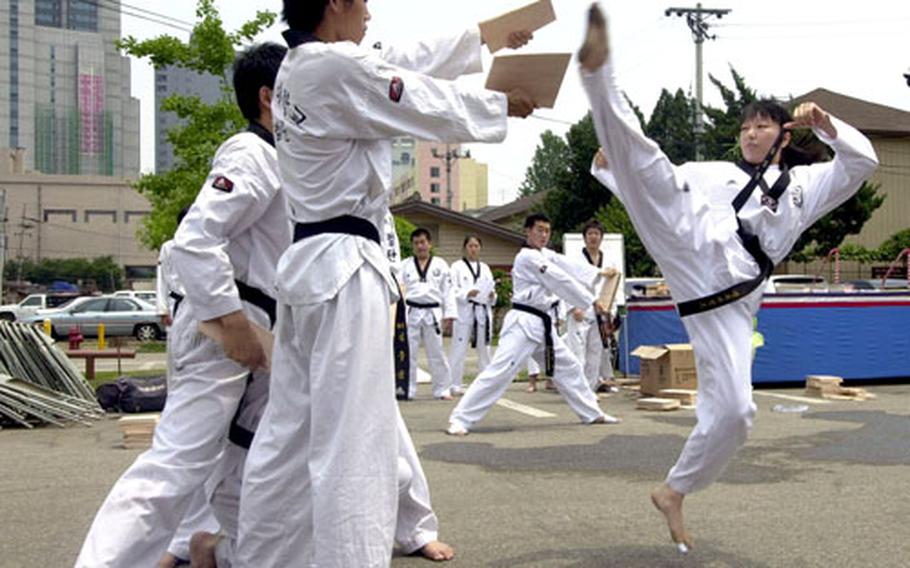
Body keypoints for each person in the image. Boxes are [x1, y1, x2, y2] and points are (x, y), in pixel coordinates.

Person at [235, 2, 536, 566]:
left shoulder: (304, 68)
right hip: (344, 269)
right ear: (334, 3)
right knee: (355, 444)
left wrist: (487, 38)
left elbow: (400, 63)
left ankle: (262, 557)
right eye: (363, 0)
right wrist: (500, 106)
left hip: (307, 268)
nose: (370, 12)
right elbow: (411, 93)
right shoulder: (331, 68)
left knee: (288, 435)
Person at [577, 3, 878, 552]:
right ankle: (598, 74)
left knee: (738, 414)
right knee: (647, 165)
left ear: (783, 133)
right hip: (692, 249)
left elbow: (863, 165)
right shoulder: (710, 173)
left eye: (761, 124)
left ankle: (675, 490)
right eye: (744, 126)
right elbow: (655, 191)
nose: (750, 132)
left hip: (733, 303)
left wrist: (830, 127)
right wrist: (609, 170)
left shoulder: (805, 186)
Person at [75, 42, 290, 568]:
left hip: (263, 328)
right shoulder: (251, 154)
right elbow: (196, 239)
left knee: (250, 451)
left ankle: (225, 550)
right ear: (269, 97)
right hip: (232, 322)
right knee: (176, 464)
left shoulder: (286, 160)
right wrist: (230, 320)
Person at [447, 213, 620, 436]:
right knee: (500, 371)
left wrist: (599, 273)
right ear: (527, 232)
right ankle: (460, 418)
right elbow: (558, 278)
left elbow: (566, 264)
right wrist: (591, 301)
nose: (544, 235)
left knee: (569, 367)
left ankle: (591, 413)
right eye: (539, 230)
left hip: (542, 325)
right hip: (523, 323)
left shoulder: (545, 254)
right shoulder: (526, 257)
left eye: (547, 231)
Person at [401, 228, 457, 399]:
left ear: (430, 244)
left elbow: (448, 291)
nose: (420, 246)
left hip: (433, 312)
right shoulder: (405, 265)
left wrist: (450, 314)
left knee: (437, 352)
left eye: (423, 242)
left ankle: (442, 389)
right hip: (411, 311)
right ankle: (407, 390)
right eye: (417, 243)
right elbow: (399, 290)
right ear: (412, 245)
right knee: (408, 352)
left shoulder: (440, 264)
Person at [565, 219, 620, 393]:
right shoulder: (575, 260)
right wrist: (574, 307)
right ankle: (576, 389)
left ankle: (589, 388)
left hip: (600, 311)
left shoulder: (609, 260)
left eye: (596, 234)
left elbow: (613, 286)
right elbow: (568, 283)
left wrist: (610, 310)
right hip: (580, 311)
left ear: (601, 237)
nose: (593, 237)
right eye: (590, 234)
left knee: (595, 352)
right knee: (577, 353)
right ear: (584, 237)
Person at [448, 235, 497, 395]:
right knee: (458, 349)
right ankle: (454, 384)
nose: (473, 249)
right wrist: (467, 293)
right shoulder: (456, 267)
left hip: (482, 311)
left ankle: (485, 384)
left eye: (476, 246)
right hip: (464, 311)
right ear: (464, 248)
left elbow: (492, 288)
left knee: (485, 350)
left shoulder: (485, 268)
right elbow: (452, 290)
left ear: (480, 248)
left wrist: (492, 296)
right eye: (470, 246)